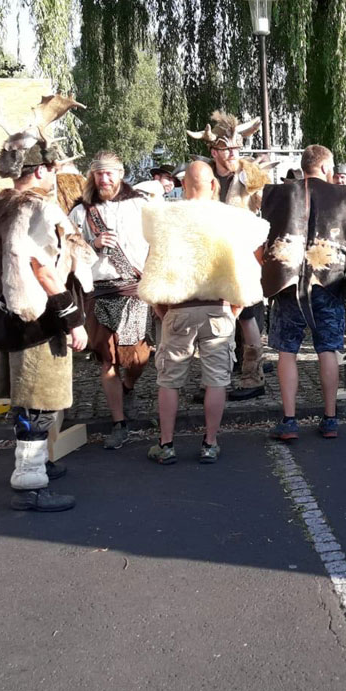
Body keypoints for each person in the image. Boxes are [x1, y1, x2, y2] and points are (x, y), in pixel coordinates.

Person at [0, 109, 93, 512]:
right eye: (52, 168)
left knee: (27, 398)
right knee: (38, 403)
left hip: (7, 320)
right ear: (40, 170)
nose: (56, 174)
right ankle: (30, 483)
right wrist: (74, 320)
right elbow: (43, 270)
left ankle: (38, 466)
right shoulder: (38, 210)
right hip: (38, 323)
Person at [137, 160, 270, 464]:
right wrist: (235, 308)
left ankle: (166, 445)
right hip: (218, 310)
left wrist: (161, 308)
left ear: (184, 185)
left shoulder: (165, 218)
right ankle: (210, 443)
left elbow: (152, 266)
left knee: (169, 380)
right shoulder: (231, 218)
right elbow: (249, 264)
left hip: (178, 309)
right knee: (217, 380)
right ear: (213, 185)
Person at [260, 145, 346, 439]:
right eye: (331, 167)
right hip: (328, 281)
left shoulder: (276, 194)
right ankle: (330, 418)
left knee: (287, 350)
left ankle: (289, 420)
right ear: (324, 167)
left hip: (287, 282)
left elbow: (262, 235)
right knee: (328, 349)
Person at [69, 151, 152, 450]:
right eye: (98, 173)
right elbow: (68, 253)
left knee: (138, 358)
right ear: (92, 175)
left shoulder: (141, 205)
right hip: (100, 291)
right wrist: (92, 243)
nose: (104, 179)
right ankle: (119, 423)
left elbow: (156, 243)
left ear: (120, 173)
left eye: (109, 173)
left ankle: (129, 386)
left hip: (134, 291)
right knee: (108, 359)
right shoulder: (80, 212)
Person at [188, 111, 273, 401]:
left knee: (246, 315)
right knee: (212, 318)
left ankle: (253, 377)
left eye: (237, 148)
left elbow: (265, 206)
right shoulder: (204, 176)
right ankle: (214, 380)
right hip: (210, 258)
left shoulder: (248, 174)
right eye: (226, 149)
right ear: (214, 151)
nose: (233, 153)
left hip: (241, 257)